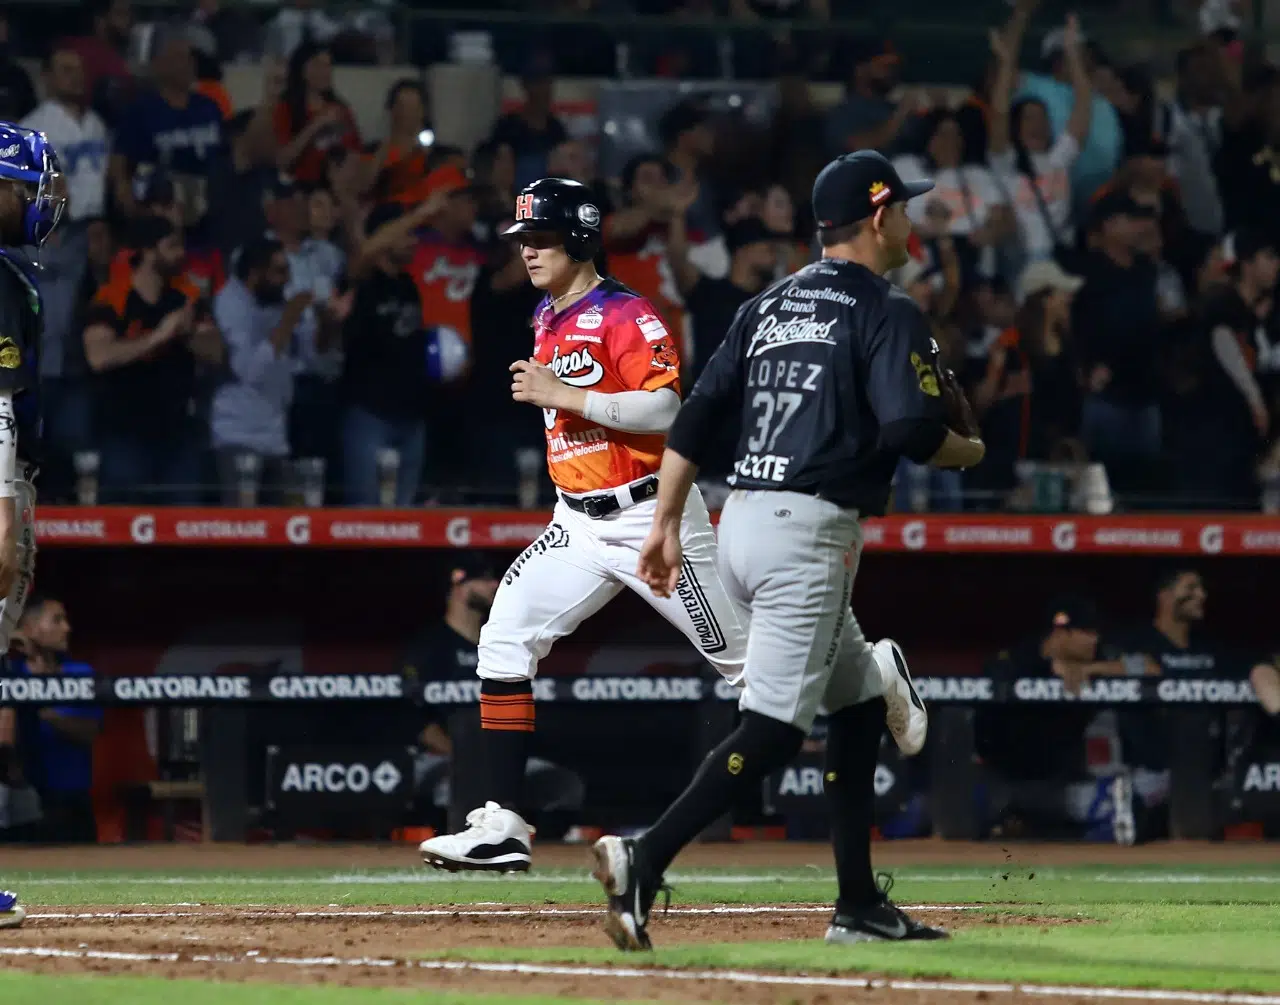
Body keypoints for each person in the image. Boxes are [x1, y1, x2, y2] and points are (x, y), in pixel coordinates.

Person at [591, 151, 986, 951]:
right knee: (770, 730)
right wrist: (970, 455)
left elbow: (697, 417)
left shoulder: (766, 304)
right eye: (903, 208)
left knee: (857, 707)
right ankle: (644, 853)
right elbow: (911, 429)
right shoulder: (887, 305)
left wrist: (666, 522)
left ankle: (857, 904)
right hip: (809, 531)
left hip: (737, 517)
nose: (909, 219)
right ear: (879, 219)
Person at [417, 177, 750, 873]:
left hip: (651, 516)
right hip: (576, 522)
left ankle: (864, 674)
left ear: (579, 237)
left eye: (540, 239)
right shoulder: (546, 314)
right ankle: (502, 824)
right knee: (504, 636)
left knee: (749, 668)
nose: (529, 252)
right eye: (523, 240)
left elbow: (667, 411)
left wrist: (562, 393)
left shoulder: (627, 312)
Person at [0, 124, 69, 929]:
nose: (36, 202)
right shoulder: (3, 282)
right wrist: (7, 518)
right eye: (22, 188)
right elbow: (2, 410)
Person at [401, 556, 584, 831]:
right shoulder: (429, 647)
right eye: (484, 580)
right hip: (442, 759)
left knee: (562, 785)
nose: (495, 585)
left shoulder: (500, 641)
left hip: (498, 756)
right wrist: (464, 755)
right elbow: (412, 718)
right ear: (459, 586)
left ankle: (535, 853)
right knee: (454, 785)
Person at [82, 216, 223, 503]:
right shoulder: (112, 298)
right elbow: (99, 356)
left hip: (178, 433)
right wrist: (159, 336)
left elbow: (216, 352)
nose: (181, 254)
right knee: (122, 529)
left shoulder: (186, 298)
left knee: (185, 530)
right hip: (125, 434)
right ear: (146, 251)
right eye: (171, 246)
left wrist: (186, 335)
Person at [210, 237, 310, 503]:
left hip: (276, 435)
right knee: (243, 532)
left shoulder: (277, 301)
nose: (287, 279)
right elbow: (249, 370)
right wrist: (288, 320)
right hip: (238, 436)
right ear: (256, 274)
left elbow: (307, 358)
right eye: (280, 271)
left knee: (286, 532)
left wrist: (327, 324)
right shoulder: (230, 304)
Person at [12, 596, 101, 843]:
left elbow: (88, 733)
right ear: (29, 629)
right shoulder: (11, 673)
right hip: (22, 801)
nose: (67, 628)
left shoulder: (80, 673)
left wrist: (41, 704)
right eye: (56, 620)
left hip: (72, 800)